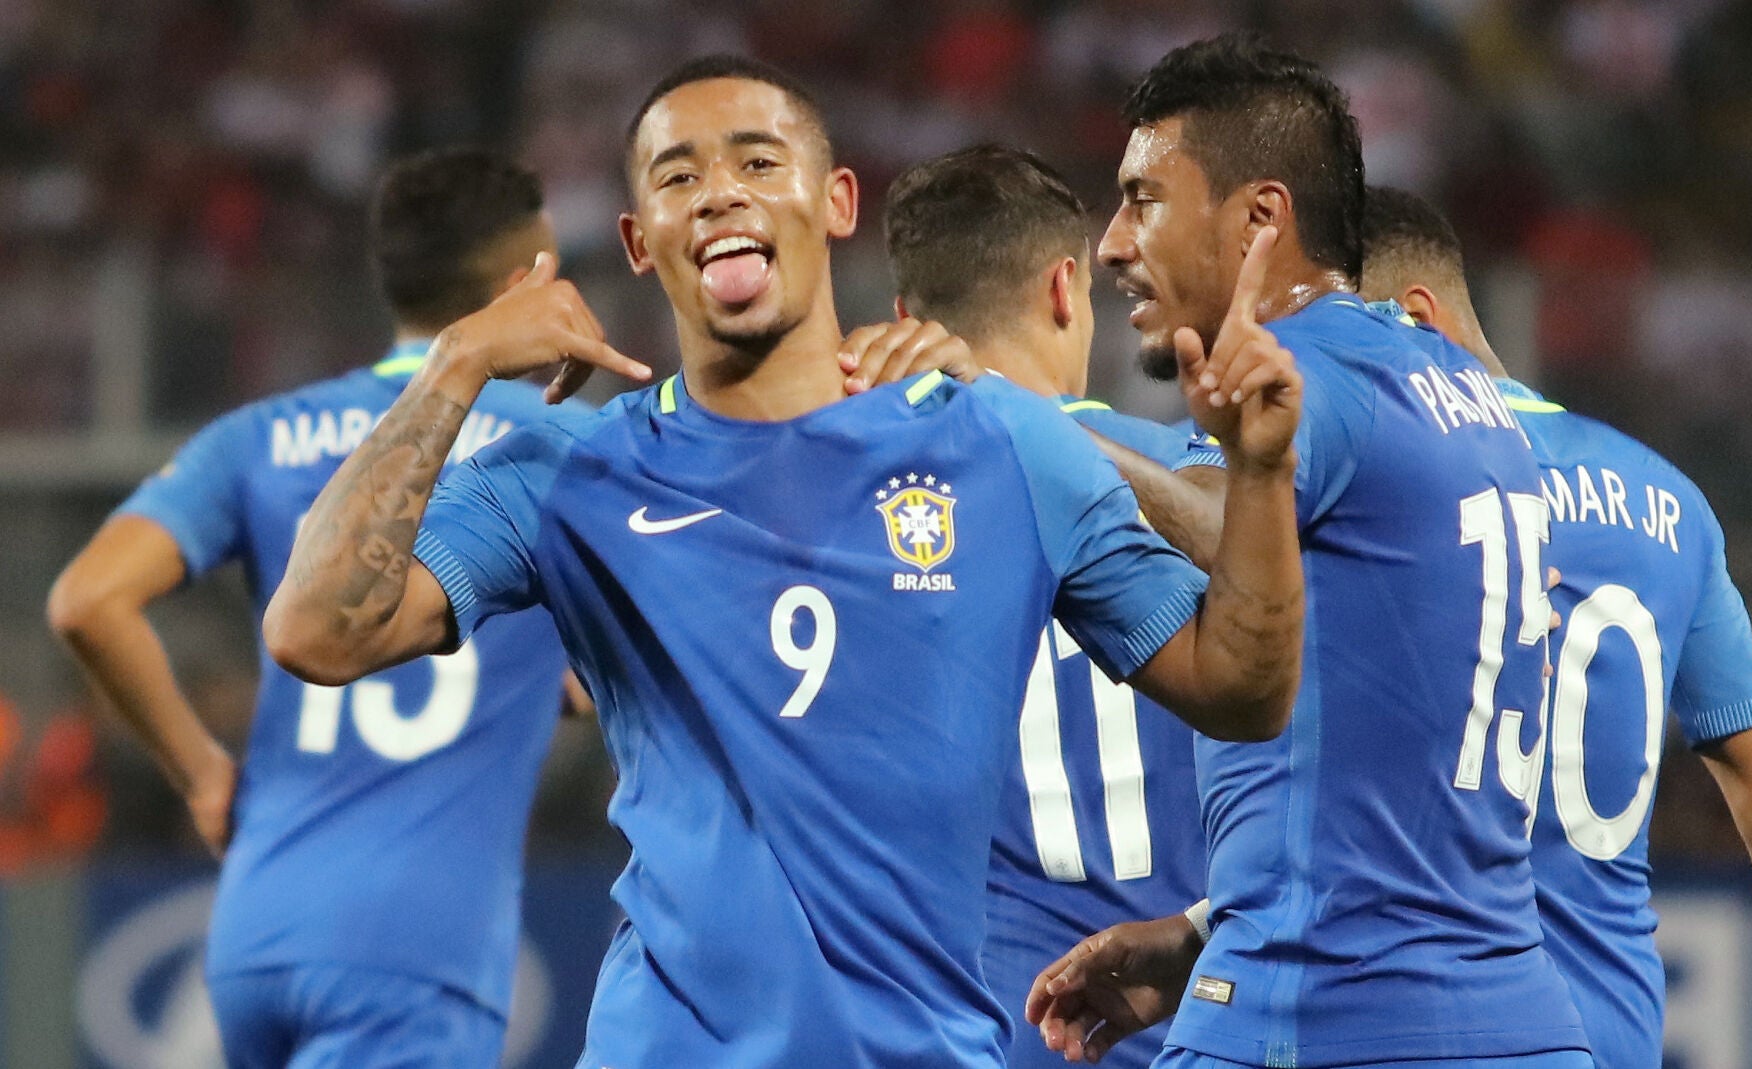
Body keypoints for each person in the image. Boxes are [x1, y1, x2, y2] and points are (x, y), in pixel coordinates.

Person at [260, 54, 1309, 1069]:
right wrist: (456, 363)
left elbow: (1242, 689)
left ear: (836, 201)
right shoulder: (569, 471)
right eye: (680, 177)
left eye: (758, 163)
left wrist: (1260, 476)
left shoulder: (997, 442)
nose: (719, 194)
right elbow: (315, 627)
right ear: (638, 240)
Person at [1022, 34, 1590, 1069]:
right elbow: (1396, 766)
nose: (1109, 243)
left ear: (1257, 220)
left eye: (1144, 197)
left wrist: (1013, 425)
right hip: (1512, 1023)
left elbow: (1227, 514)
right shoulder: (1457, 393)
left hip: (1317, 1018)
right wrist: (1204, 929)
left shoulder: (1310, 377)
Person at [46, 148, 585, 1068]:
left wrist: (203, 775)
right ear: (513, 289)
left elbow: (88, 600)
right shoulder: (556, 453)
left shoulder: (260, 434)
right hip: (420, 942)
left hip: (256, 926)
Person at [1358, 185, 1752, 1069]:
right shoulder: (1670, 501)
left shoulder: (1376, 501)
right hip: (1611, 1038)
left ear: (1414, 318)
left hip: (1420, 1024)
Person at [881, 143, 1216, 1069]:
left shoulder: (861, 495)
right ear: (1068, 288)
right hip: (1190, 1017)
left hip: (979, 1019)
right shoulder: (1189, 468)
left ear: (905, 316)